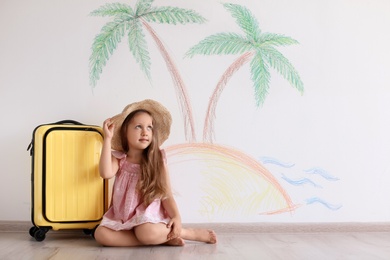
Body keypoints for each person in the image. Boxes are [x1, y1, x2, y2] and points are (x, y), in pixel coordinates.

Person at [94, 99, 217, 247]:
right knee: (100, 234)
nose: (145, 132)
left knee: (146, 232)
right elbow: (105, 173)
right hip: (122, 219)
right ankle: (162, 238)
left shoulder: (156, 160)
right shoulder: (120, 159)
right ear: (125, 132)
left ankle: (185, 232)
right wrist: (107, 138)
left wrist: (176, 217)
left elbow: (166, 194)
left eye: (149, 128)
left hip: (147, 219)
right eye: (138, 127)